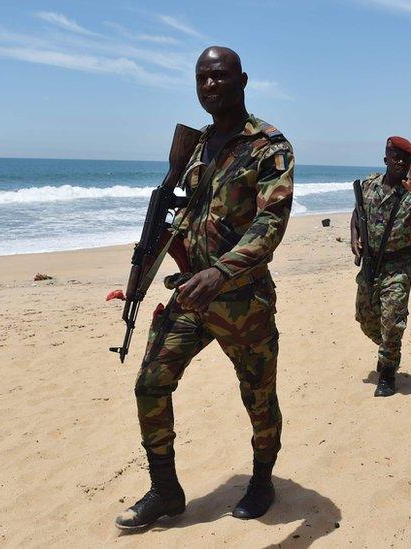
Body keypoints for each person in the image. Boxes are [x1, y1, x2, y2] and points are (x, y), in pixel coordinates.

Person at [115, 46, 294, 529]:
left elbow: (271, 222)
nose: (210, 85)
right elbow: (178, 216)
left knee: (258, 396)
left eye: (219, 76)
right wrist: (140, 274)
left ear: (242, 80)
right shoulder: (197, 146)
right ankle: (166, 490)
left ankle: (261, 480)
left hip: (243, 299)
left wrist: (223, 270)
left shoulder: (269, 146)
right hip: (190, 295)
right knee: (150, 384)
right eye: (202, 78)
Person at [350, 137, 411, 397]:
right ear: (385, 159)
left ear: (410, 163)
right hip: (371, 265)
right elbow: (358, 214)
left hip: (399, 265)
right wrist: (355, 237)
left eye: (405, 159)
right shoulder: (368, 185)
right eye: (395, 157)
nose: (400, 162)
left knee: (392, 319)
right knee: (365, 319)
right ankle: (389, 346)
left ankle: (388, 372)